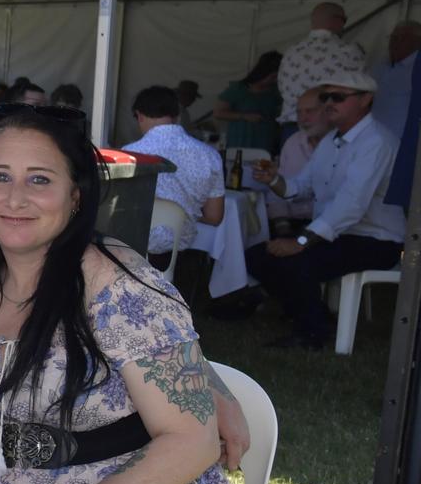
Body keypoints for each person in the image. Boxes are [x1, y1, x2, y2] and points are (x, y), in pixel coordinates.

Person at [0, 102, 241, 484]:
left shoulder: (117, 286)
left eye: (40, 180)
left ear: (76, 195)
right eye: (0, 176)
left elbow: (192, 440)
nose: (15, 197)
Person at [248, 68, 405, 349]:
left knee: (299, 261)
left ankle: (311, 333)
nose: (329, 102)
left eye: (338, 96)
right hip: (340, 234)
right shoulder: (332, 141)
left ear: (366, 99)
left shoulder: (376, 142)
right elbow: (299, 187)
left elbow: (351, 206)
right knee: (257, 256)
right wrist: (273, 179)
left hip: (377, 238)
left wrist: (301, 241)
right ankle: (312, 314)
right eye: (326, 96)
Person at [123, 86, 224, 269]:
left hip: (132, 256)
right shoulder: (209, 155)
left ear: (139, 115)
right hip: (181, 256)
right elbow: (214, 217)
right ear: (177, 116)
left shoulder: (128, 155)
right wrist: (183, 210)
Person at [277, 2, 365, 144]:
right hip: (327, 128)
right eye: (344, 20)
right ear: (336, 20)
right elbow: (359, 91)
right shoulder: (348, 52)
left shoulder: (291, 52)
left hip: (293, 126)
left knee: (292, 166)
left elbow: (282, 89)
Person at [265, 88, 331, 234]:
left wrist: (302, 240)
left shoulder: (341, 144)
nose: (303, 118)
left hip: (326, 229)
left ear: (329, 112)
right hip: (289, 223)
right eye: (299, 112)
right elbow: (277, 194)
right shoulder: (293, 142)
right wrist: (283, 228)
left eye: (310, 111)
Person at [214, 51, 282, 152]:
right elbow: (218, 113)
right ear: (263, 72)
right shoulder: (238, 89)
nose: (275, 81)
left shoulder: (276, 91)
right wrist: (245, 116)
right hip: (240, 144)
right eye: (273, 77)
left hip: (266, 145)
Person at [371, 20, 421, 141]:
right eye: (393, 37)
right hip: (372, 138)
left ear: (417, 42)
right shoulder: (379, 66)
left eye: (402, 38)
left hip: (400, 140)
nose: (394, 42)